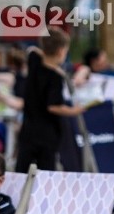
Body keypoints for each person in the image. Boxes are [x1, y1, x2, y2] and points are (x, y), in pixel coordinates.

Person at [15, 28, 87, 173]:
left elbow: (33, 50)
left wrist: (50, 59)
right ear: (61, 51)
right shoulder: (54, 78)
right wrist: (75, 111)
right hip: (46, 133)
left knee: (22, 167)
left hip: (28, 128)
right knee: (45, 170)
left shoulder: (34, 62)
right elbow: (53, 106)